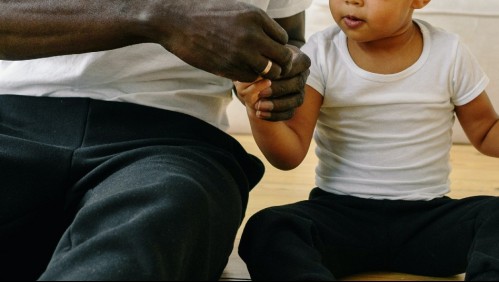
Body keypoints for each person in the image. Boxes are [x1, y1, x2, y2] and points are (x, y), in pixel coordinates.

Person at [0, 0, 313, 280]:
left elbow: (288, 40)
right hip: (11, 119)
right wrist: (156, 17)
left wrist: (278, 76)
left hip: (175, 142)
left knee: (161, 219)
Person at [235, 0, 499, 280]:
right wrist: (258, 110)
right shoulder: (321, 53)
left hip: (427, 221)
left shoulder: (449, 52)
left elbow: (485, 131)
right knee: (270, 228)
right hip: (341, 219)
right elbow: (289, 154)